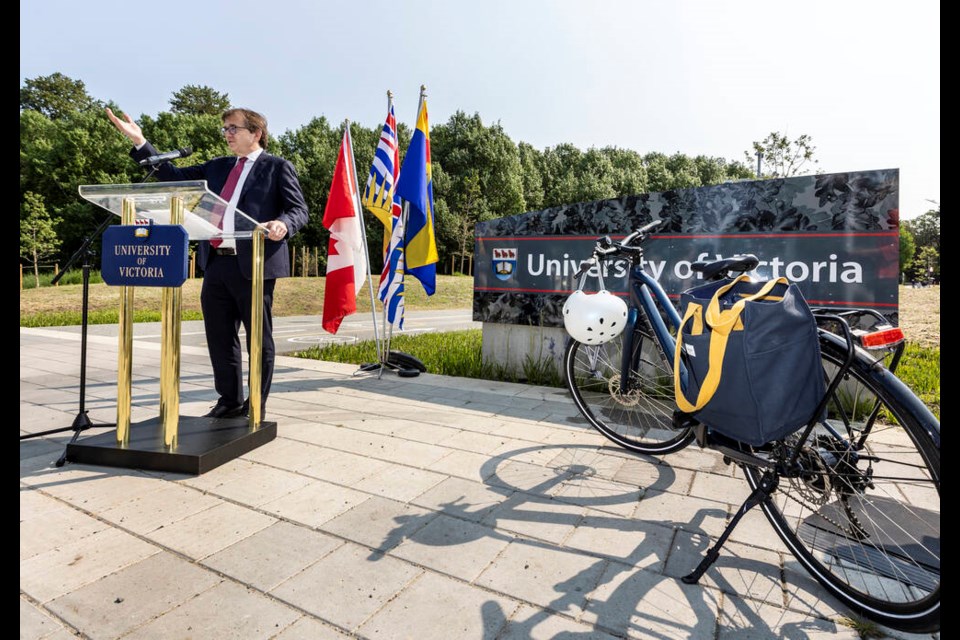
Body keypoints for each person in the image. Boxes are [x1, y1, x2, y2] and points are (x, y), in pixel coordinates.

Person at [107, 106, 309, 419]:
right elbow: (172, 177)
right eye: (225, 129)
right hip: (216, 262)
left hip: (254, 262)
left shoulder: (277, 167)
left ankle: (256, 404)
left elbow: (299, 210)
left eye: (233, 128)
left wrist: (283, 224)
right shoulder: (217, 167)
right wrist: (140, 142)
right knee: (219, 337)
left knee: (258, 338)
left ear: (255, 133)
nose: (227, 134)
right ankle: (228, 401)